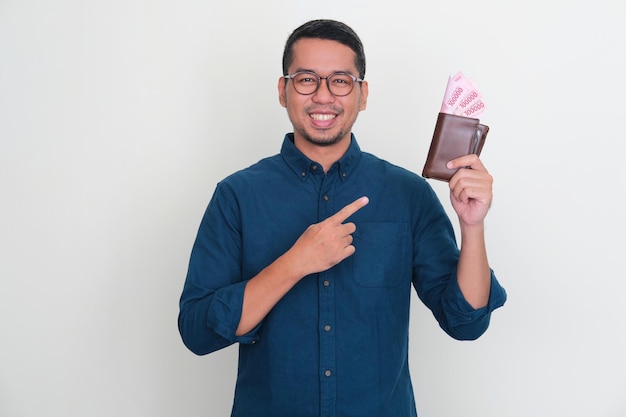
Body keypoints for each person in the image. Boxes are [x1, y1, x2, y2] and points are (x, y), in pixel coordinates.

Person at [178, 18, 506, 417]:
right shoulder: (237, 196)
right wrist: (295, 263)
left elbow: (466, 323)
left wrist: (472, 226)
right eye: (305, 79)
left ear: (362, 94)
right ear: (283, 91)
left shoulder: (408, 195)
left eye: (340, 80)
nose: (323, 96)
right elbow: (196, 332)